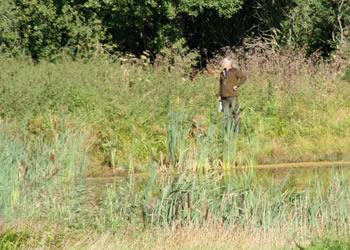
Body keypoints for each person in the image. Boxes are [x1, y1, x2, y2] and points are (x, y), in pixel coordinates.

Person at [218, 57, 247, 131]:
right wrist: (219, 95)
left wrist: (237, 85)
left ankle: (237, 130)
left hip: (232, 96)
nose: (223, 63)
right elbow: (220, 84)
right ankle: (228, 130)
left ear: (229, 63)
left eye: (224, 62)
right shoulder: (222, 73)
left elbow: (244, 77)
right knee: (227, 115)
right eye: (223, 62)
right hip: (224, 97)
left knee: (236, 113)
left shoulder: (235, 71)